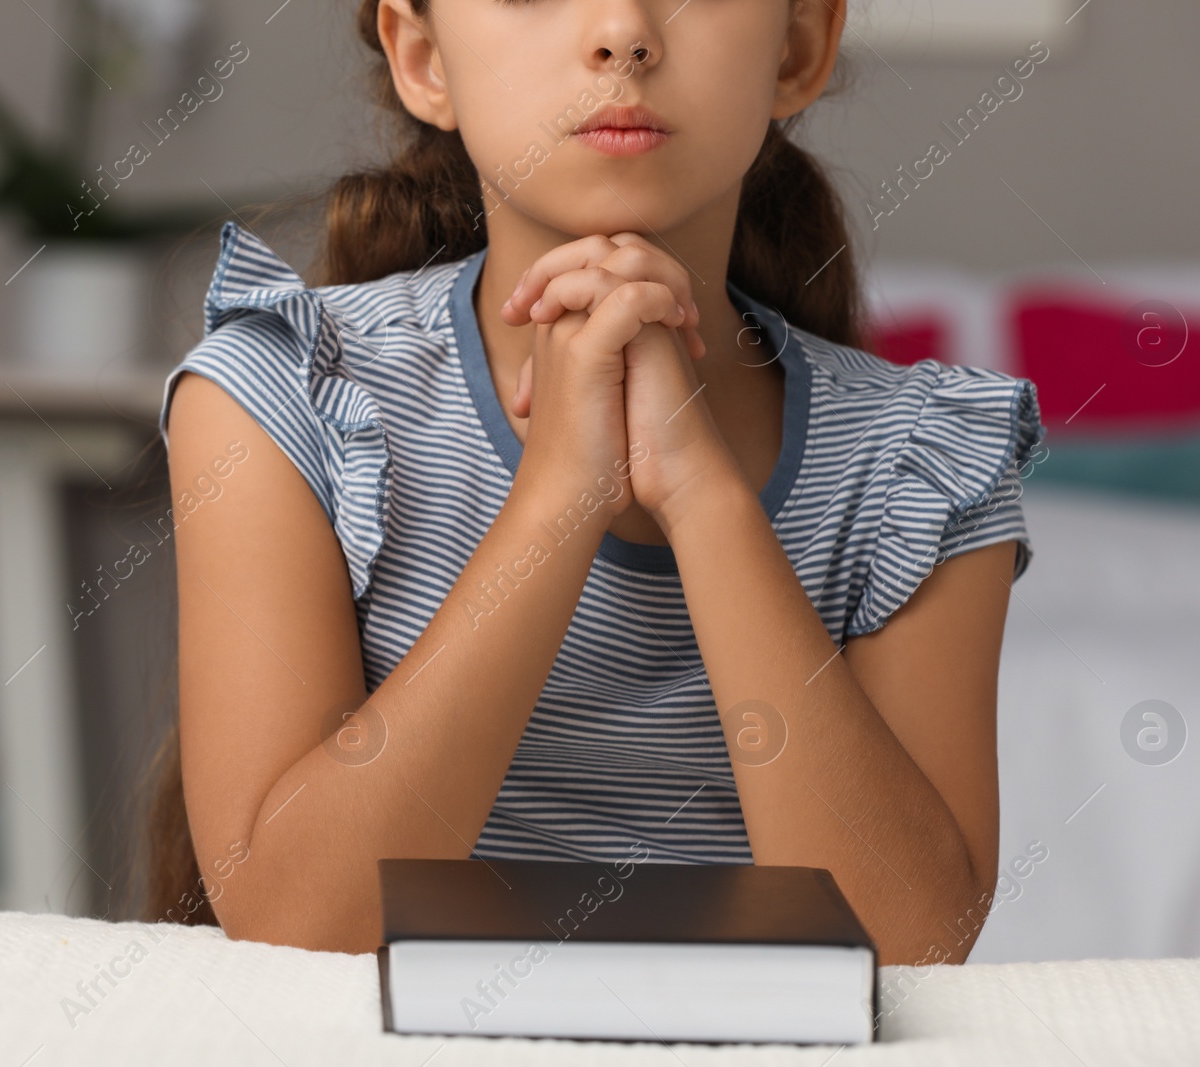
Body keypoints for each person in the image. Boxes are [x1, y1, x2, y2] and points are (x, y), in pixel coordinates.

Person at [151, 0, 1045, 964]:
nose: (623, 32)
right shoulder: (279, 397)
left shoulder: (922, 458)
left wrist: (702, 495)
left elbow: (912, 947)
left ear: (798, 48)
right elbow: (299, 925)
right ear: (422, 56)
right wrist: (559, 500)